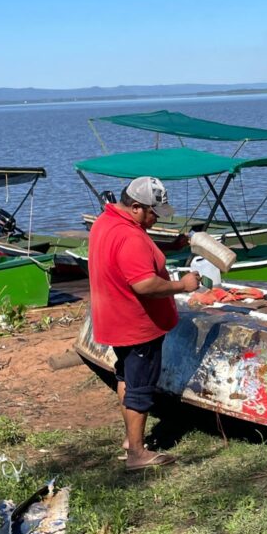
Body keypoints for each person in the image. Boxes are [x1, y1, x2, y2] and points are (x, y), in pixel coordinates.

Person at [88, 176, 200, 470]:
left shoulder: (105, 222)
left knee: (126, 376)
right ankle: (137, 454)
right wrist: (182, 285)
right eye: (152, 213)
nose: (154, 220)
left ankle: (130, 439)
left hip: (113, 318)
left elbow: (128, 259)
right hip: (136, 324)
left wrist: (170, 246)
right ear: (136, 207)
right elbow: (144, 284)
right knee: (141, 386)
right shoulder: (131, 236)